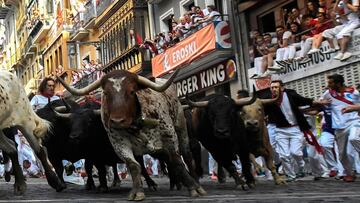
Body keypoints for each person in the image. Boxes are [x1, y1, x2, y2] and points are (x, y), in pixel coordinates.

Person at [264, 80, 328, 182]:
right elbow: (262, 111)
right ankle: (291, 175)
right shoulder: (269, 100)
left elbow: (304, 100)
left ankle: (301, 167)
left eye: (276, 87)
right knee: (284, 155)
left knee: (296, 153)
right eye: (272, 88)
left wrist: (319, 102)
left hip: (295, 128)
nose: (274, 89)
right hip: (280, 130)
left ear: (282, 88)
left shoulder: (290, 94)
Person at [322, 74, 360, 182]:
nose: (328, 85)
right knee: (342, 154)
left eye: (330, 83)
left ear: (338, 83)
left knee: (354, 138)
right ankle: (349, 173)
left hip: (354, 122)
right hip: (339, 127)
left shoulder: (354, 93)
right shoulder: (328, 93)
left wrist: (352, 108)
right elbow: (321, 102)